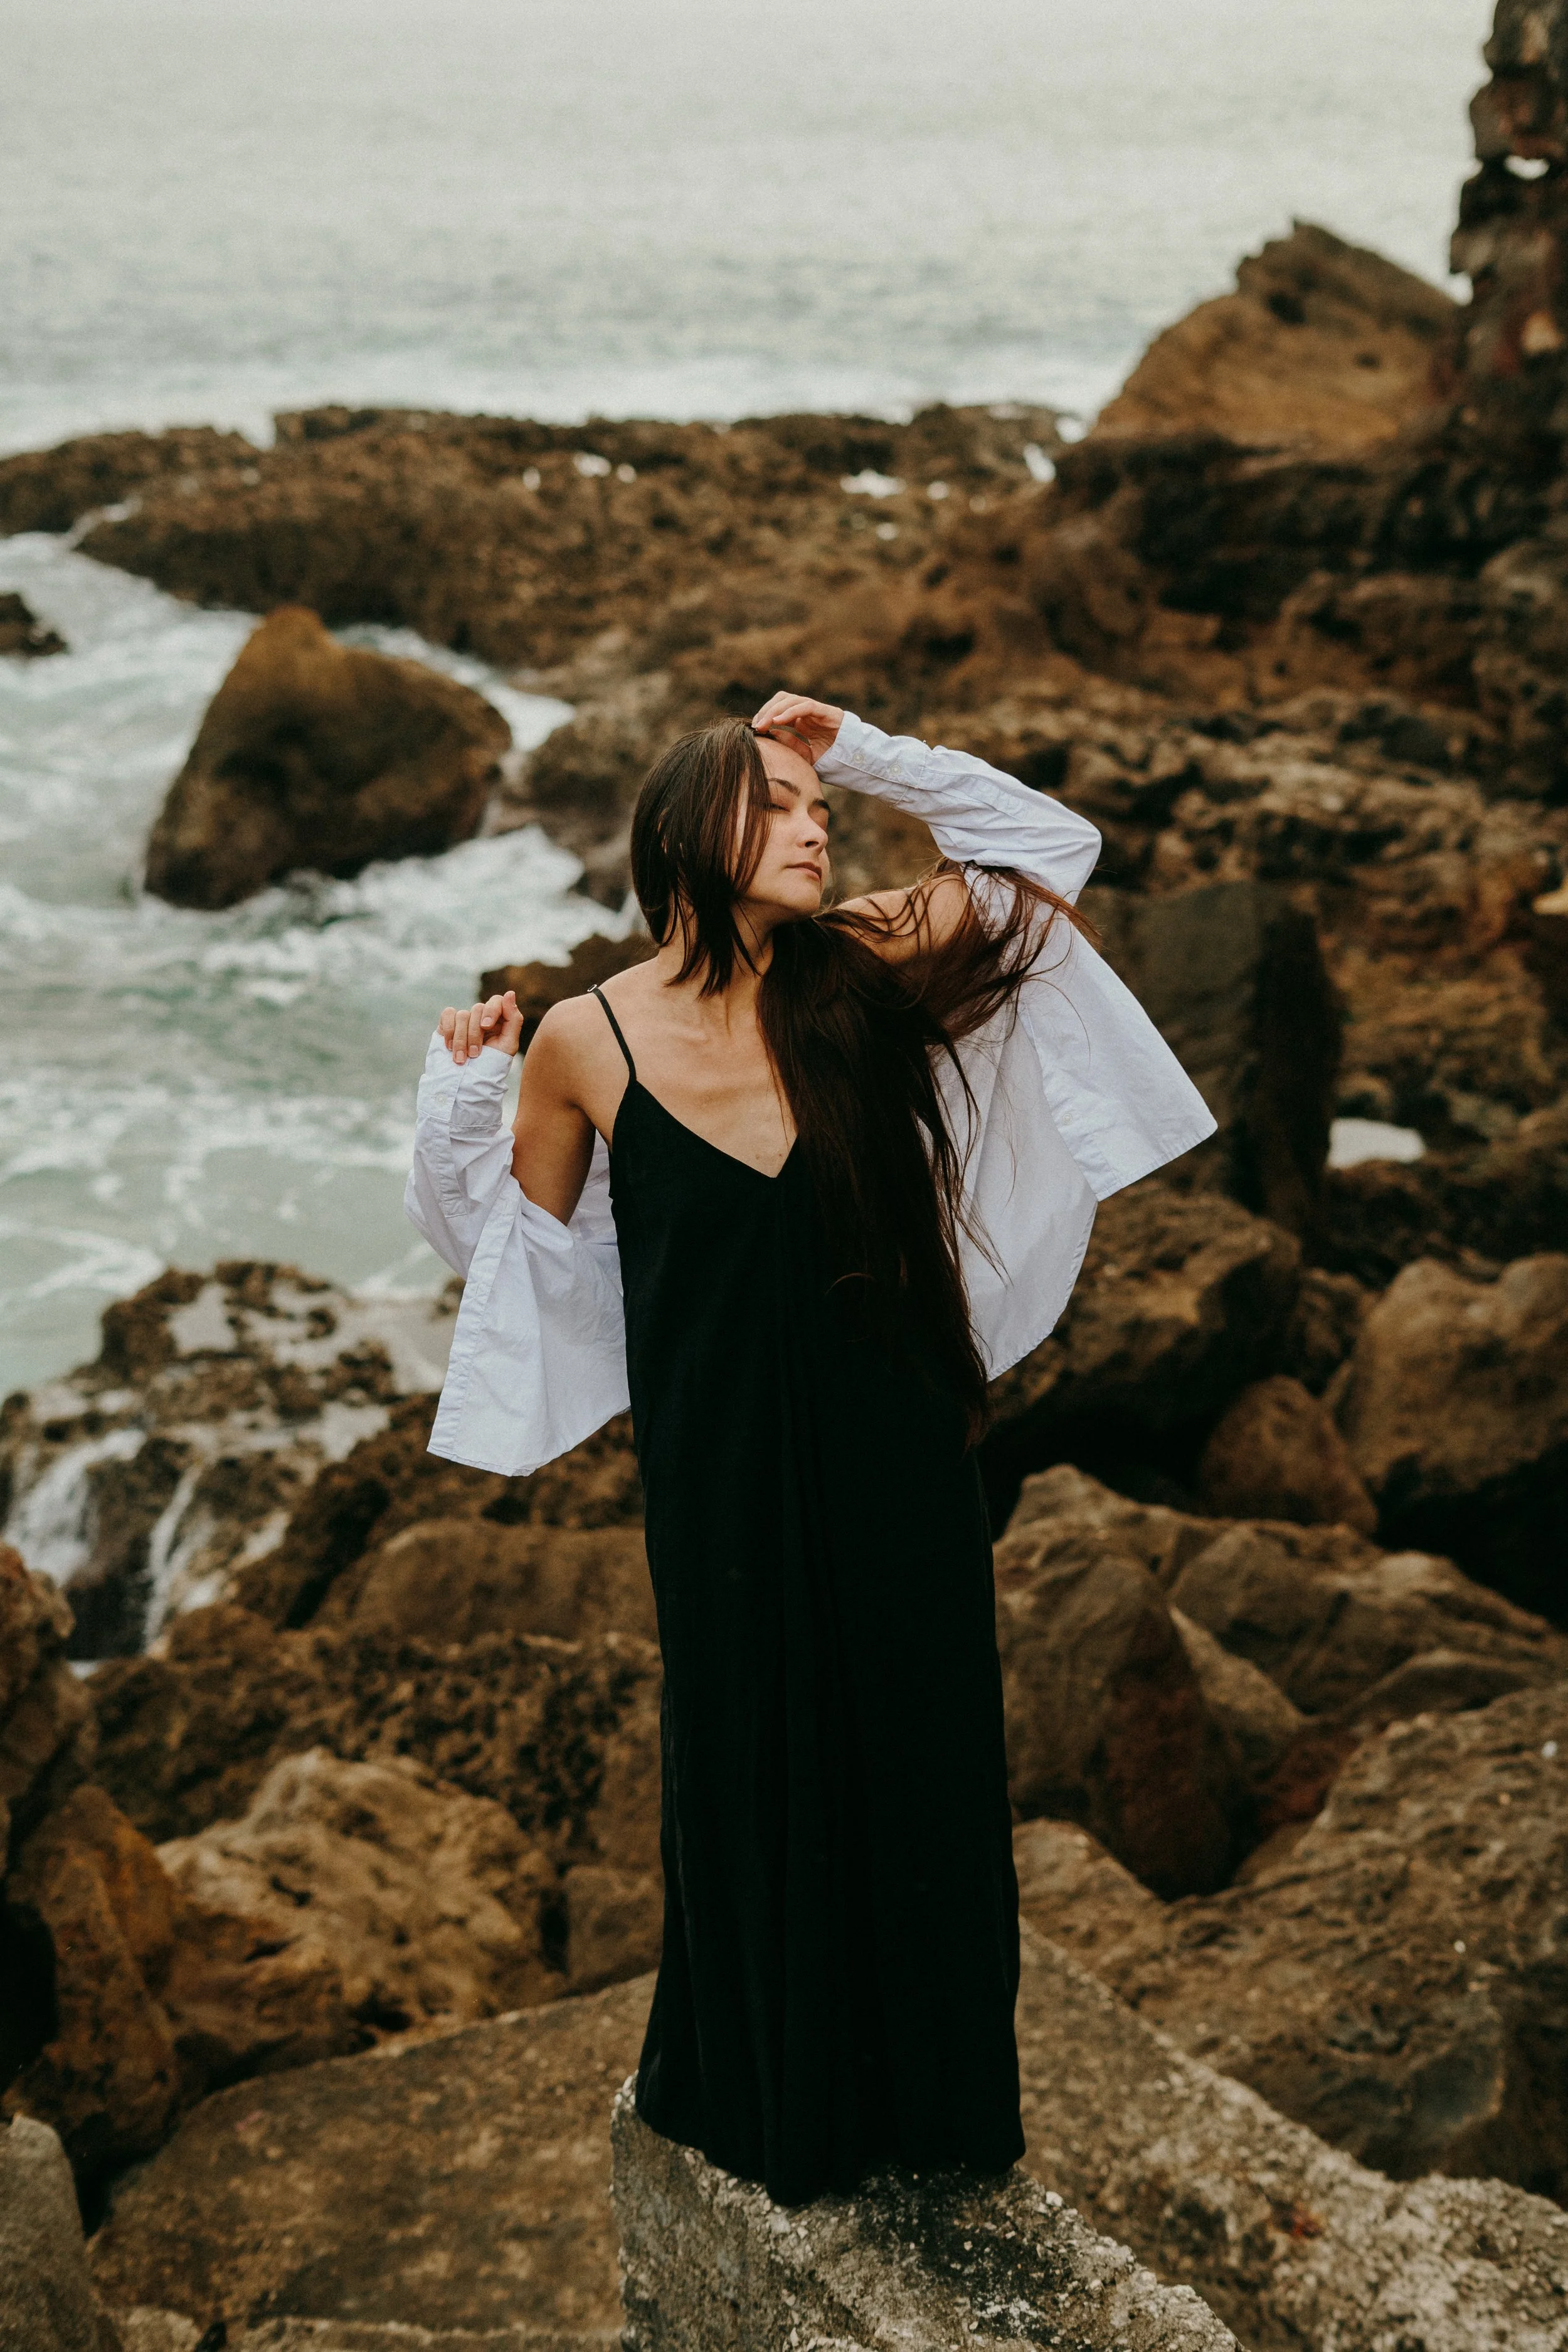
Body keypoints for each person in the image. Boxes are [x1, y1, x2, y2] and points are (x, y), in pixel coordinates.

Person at [406, 692, 1214, 2206]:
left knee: (919, 1753)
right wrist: (456, 1094)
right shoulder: (580, 1038)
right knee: (750, 1756)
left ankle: (942, 2111)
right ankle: (774, 2103)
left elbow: (1047, 856)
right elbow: (507, 1253)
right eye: (776, 803)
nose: (813, 823)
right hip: (715, 1467)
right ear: (686, 834)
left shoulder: (861, 960)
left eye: (813, 804)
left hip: (897, 1437)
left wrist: (869, 751)